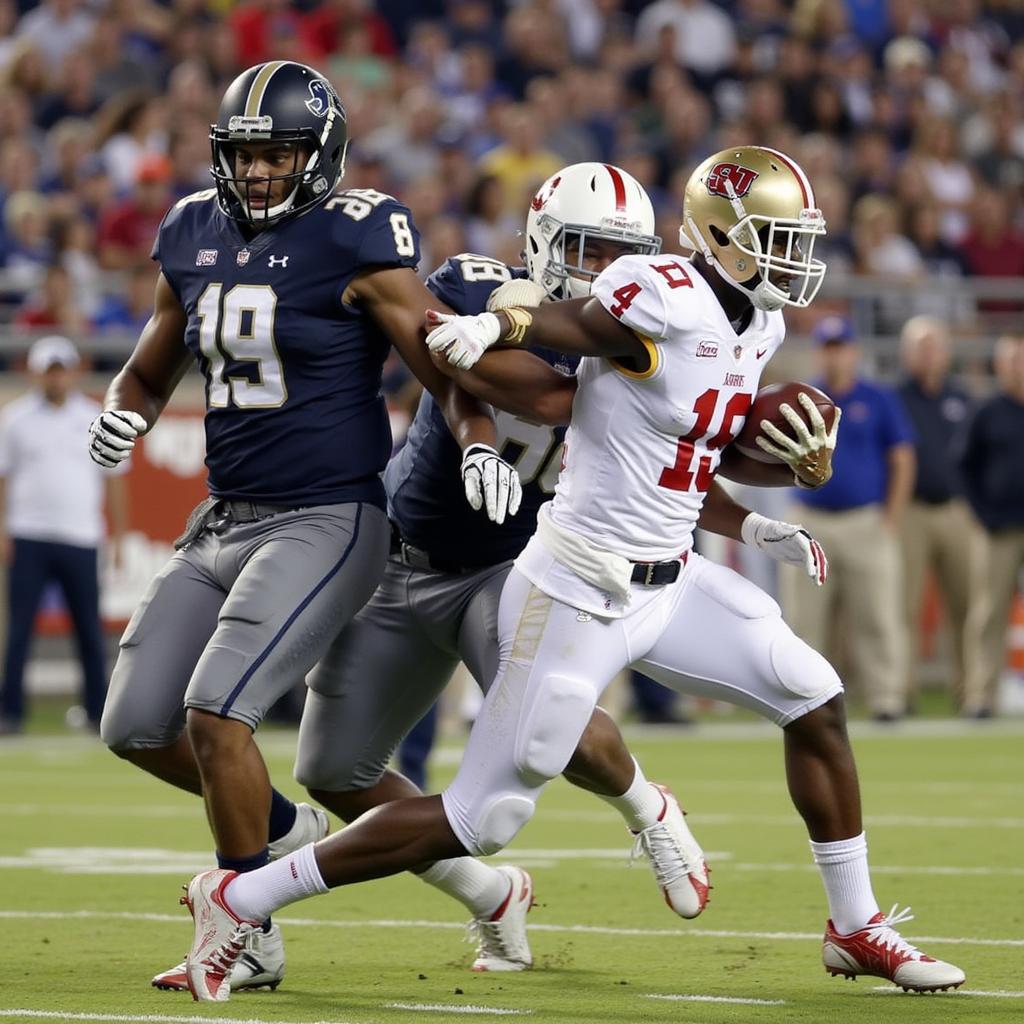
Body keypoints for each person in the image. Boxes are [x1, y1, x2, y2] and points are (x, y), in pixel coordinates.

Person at [180, 146, 964, 998]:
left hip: (671, 581)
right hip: (575, 586)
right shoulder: (658, 289)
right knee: (480, 820)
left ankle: (855, 925)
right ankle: (239, 895)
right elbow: (576, 327)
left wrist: (773, 493)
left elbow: (697, 446)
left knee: (813, 693)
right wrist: (500, 325)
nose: (791, 255)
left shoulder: (761, 320)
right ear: (716, 235)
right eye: (773, 235)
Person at [292, 162, 829, 976]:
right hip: (408, 555)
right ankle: (487, 892)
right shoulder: (480, 292)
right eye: (581, 247)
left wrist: (752, 521)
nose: (597, 268)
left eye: (616, 252)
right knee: (332, 771)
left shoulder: (644, 322)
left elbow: (672, 463)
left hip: (513, 563)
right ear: (541, 240)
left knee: (555, 730)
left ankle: (649, 811)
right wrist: (477, 431)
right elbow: (448, 381)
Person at [89, 60, 523, 993]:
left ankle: (248, 924)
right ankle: (290, 837)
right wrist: (125, 405)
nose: (255, 174)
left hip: (327, 516)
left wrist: (479, 440)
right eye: (243, 155)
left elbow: (442, 359)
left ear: (319, 155)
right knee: (133, 724)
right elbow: (151, 362)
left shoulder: (358, 235)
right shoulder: (191, 230)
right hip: (223, 517)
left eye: (277, 155)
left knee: (216, 716)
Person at [781, 315, 916, 721]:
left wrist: (891, 516)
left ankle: (886, 699)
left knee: (878, 615)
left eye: (841, 347)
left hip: (864, 520)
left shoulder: (877, 399)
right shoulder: (801, 399)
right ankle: (803, 701)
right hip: (812, 518)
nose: (835, 355)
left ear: (854, 352)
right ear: (819, 352)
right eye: (828, 347)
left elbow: (902, 458)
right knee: (805, 619)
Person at [0, 335, 127, 735]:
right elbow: (3, 479)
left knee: (89, 628)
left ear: (73, 371)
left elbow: (115, 480)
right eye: (48, 370)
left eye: (61, 369)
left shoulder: (94, 418)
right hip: (29, 533)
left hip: (80, 535)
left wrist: (119, 536)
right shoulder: (15, 419)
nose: (55, 378)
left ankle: (96, 711)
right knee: (20, 629)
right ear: (36, 373)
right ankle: (11, 713)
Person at [896, 316, 979, 711]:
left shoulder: (962, 398)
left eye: (934, 345)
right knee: (903, 607)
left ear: (946, 353)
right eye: (920, 346)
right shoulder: (896, 398)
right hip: (911, 510)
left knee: (966, 606)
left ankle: (971, 693)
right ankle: (903, 692)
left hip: (956, 510)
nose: (928, 354)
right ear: (906, 353)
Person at [960, 334, 1024, 717]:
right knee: (988, 614)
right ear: (1000, 366)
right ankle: (980, 696)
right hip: (997, 529)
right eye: (1011, 360)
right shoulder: (986, 412)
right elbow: (963, 466)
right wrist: (982, 513)